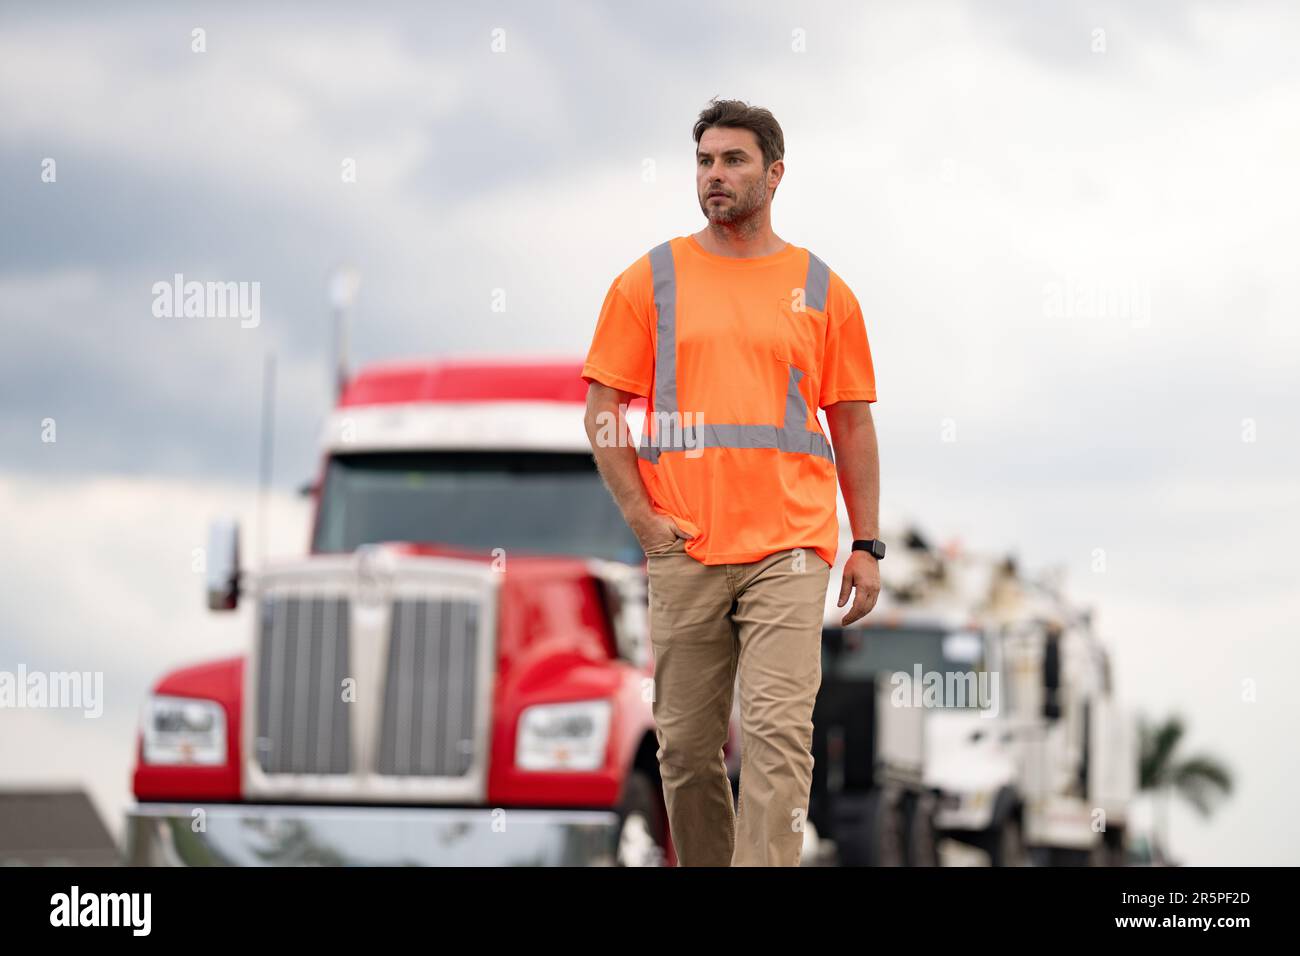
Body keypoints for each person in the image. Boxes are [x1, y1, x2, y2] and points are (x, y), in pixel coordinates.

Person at [581, 97, 883, 867]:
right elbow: (604, 410)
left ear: (775, 174)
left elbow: (850, 423)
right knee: (683, 748)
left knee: (780, 733)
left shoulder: (822, 290)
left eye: (733, 161)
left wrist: (867, 542)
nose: (715, 176)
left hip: (791, 543)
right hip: (686, 544)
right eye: (705, 162)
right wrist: (644, 522)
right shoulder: (650, 280)